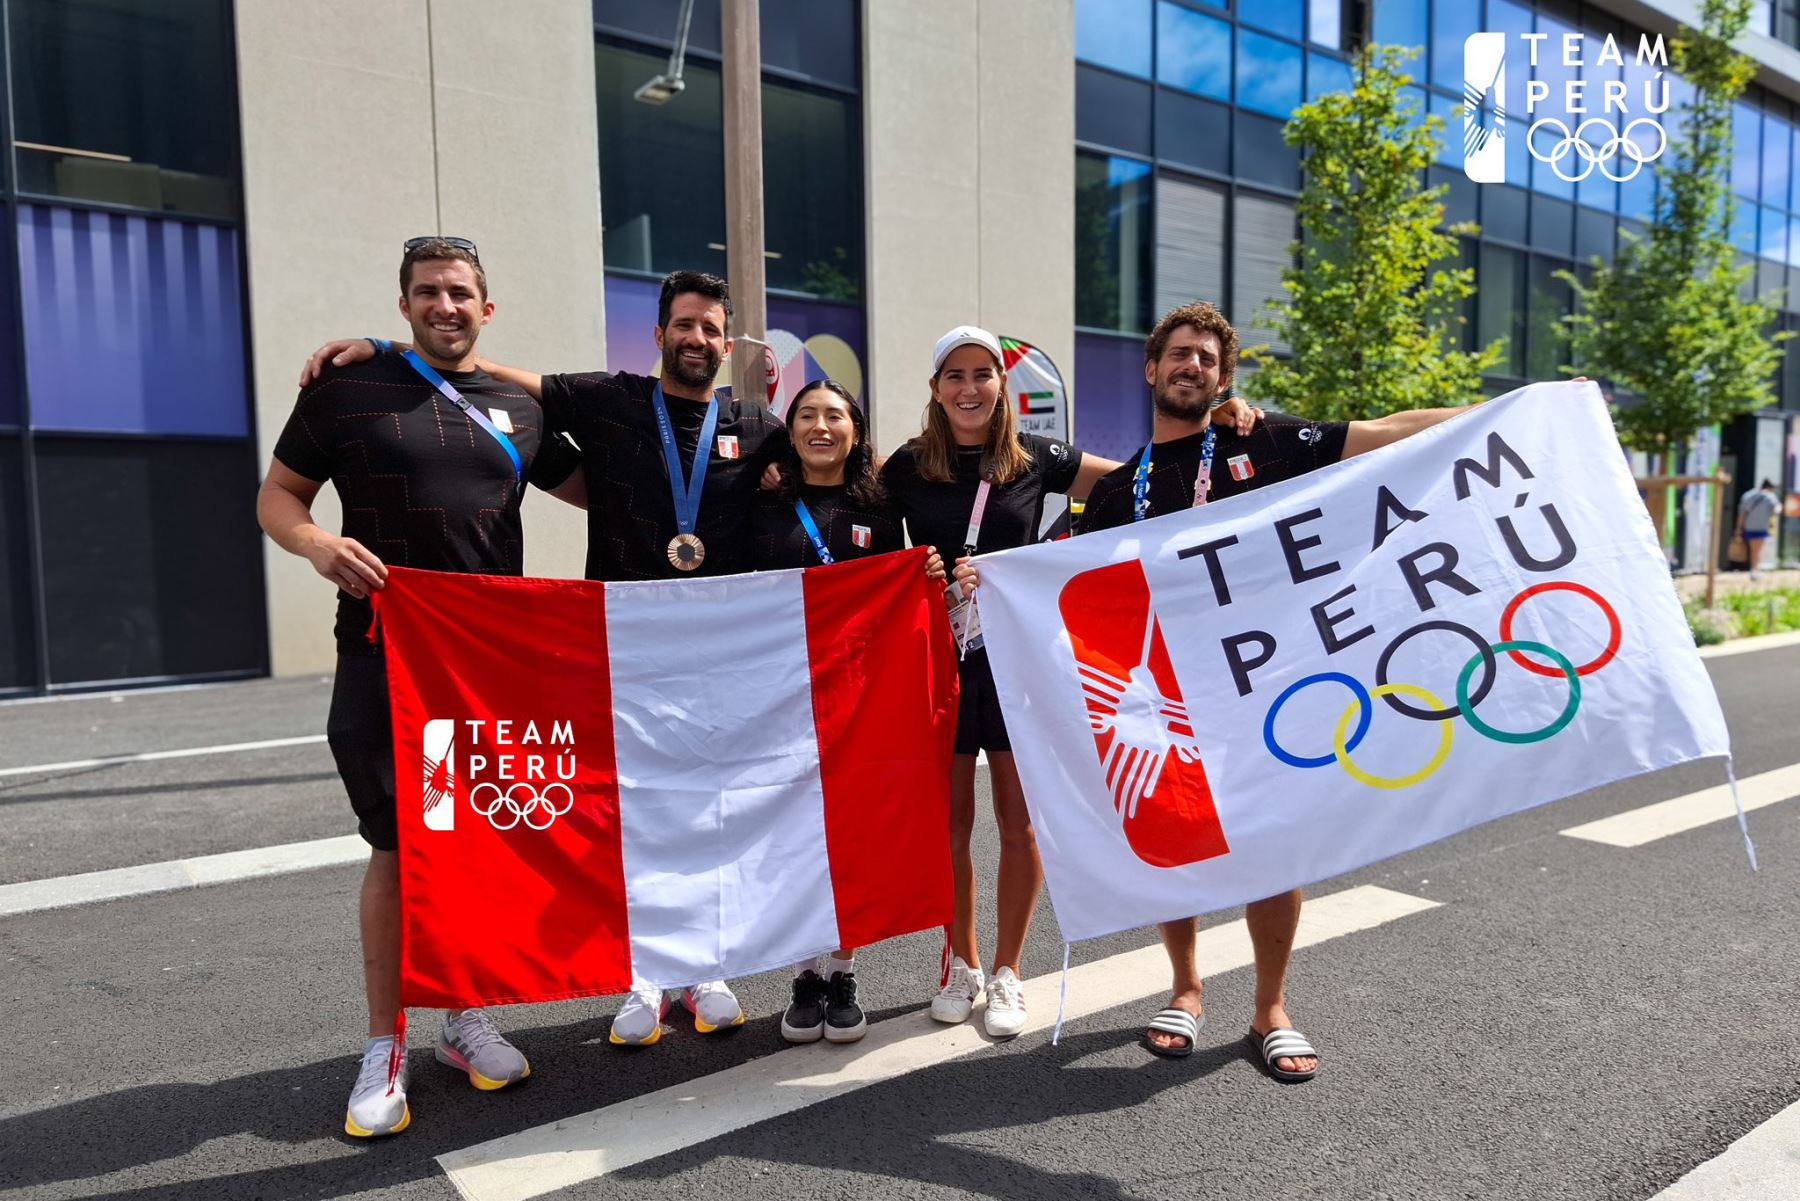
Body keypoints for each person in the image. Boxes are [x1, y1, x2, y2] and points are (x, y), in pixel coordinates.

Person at [302, 270, 786, 1047]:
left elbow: (832, 479)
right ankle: (645, 970)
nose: (697, 339)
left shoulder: (759, 427)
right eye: (683, 325)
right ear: (658, 334)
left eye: (710, 329)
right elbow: (478, 368)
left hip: (710, 653)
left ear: (727, 345)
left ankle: (704, 964)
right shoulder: (606, 397)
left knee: (707, 810)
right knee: (631, 813)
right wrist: (392, 348)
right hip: (617, 648)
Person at [1043, 300, 1488, 1079]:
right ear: (1152, 369)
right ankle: (1184, 988)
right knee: (1177, 845)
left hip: (1267, 685)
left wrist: (1509, 408)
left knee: (1275, 847)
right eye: (1179, 354)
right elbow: (1074, 593)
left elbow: (1387, 430)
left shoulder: (1267, 442)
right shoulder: (1118, 494)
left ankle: (1269, 1008)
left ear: (1225, 376)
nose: (1193, 367)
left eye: (1208, 359)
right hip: (1170, 699)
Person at [259, 238, 586, 1137]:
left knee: (471, 840)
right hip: (384, 656)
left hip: (484, 674)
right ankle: (385, 1041)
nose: (445, 305)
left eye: (461, 293)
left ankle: (463, 1015)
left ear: (489, 307)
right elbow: (277, 499)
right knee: (399, 844)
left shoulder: (517, 410)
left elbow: (613, 491)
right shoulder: (343, 391)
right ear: (403, 305)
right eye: (427, 292)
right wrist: (317, 545)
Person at [881, 324, 1258, 1039]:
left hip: (1018, 664)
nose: (969, 388)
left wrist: (1225, 420)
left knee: (1018, 825)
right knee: (947, 826)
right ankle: (958, 962)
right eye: (954, 375)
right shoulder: (903, 467)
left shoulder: (1040, 458)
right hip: (937, 663)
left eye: (982, 374)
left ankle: (1009, 971)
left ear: (1001, 384)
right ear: (935, 389)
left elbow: (1142, 481)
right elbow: (839, 498)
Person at [751, 378, 946, 1045]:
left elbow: (899, 595)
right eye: (807, 415)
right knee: (794, 835)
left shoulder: (882, 508)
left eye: (835, 415)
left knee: (853, 836)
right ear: (790, 430)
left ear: (856, 432)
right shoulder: (763, 502)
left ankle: (843, 969)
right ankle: (805, 974)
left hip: (861, 702)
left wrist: (928, 576)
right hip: (784, 699)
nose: (821, 426)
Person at [1737, 479, 1781, 579]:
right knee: (1759, 549)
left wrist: (1738, 528)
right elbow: (1776, 510)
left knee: (1753, 549)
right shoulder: (1770, 496)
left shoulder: (1748, 495)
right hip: (1762, 526)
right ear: (1769, 488)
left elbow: (1742, 513)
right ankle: (1756, 569)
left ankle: (1753, 569)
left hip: (1749, 526)